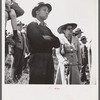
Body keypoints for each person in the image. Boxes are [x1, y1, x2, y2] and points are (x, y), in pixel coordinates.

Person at [27, 2, 60, 84]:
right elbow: (38, 42)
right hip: (37, 59)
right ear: (37, 12)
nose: (47, 12)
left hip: (49, 59)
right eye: (44, 10)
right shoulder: (32, 25)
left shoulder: (47, 28)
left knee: (48, 85)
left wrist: (45, 38)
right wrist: (44, 39)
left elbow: (57, 43)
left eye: (48, 11)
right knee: (37, 84)